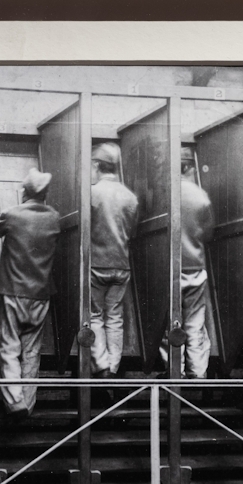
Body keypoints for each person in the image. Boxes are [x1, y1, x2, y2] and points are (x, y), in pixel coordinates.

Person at [0, 168, 61, 421]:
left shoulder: (12, 215)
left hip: (13, 290)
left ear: (24, 192)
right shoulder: (55, 217)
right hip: (41, 293)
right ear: (45, 194)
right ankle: (29, 403)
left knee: (9, 347)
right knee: (32, 351)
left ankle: (14, 402)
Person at [159, 147, 216, 379]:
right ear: (189, 167)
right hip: (196, 267)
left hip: (172, 268)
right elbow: (208, 233)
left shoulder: (166, 194)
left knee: (172, 322)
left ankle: (175, 371)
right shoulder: (201, 196)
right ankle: (199, 372)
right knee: (195, 322)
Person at [88, 142, 139, 378]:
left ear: (98, 165)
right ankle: (114, 364)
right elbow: (133, 232)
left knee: (95, 315)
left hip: (97, 264)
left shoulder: (92, 193)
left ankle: (101, 365)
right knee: (115, 317)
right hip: (122, 264)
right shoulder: (130, 197)